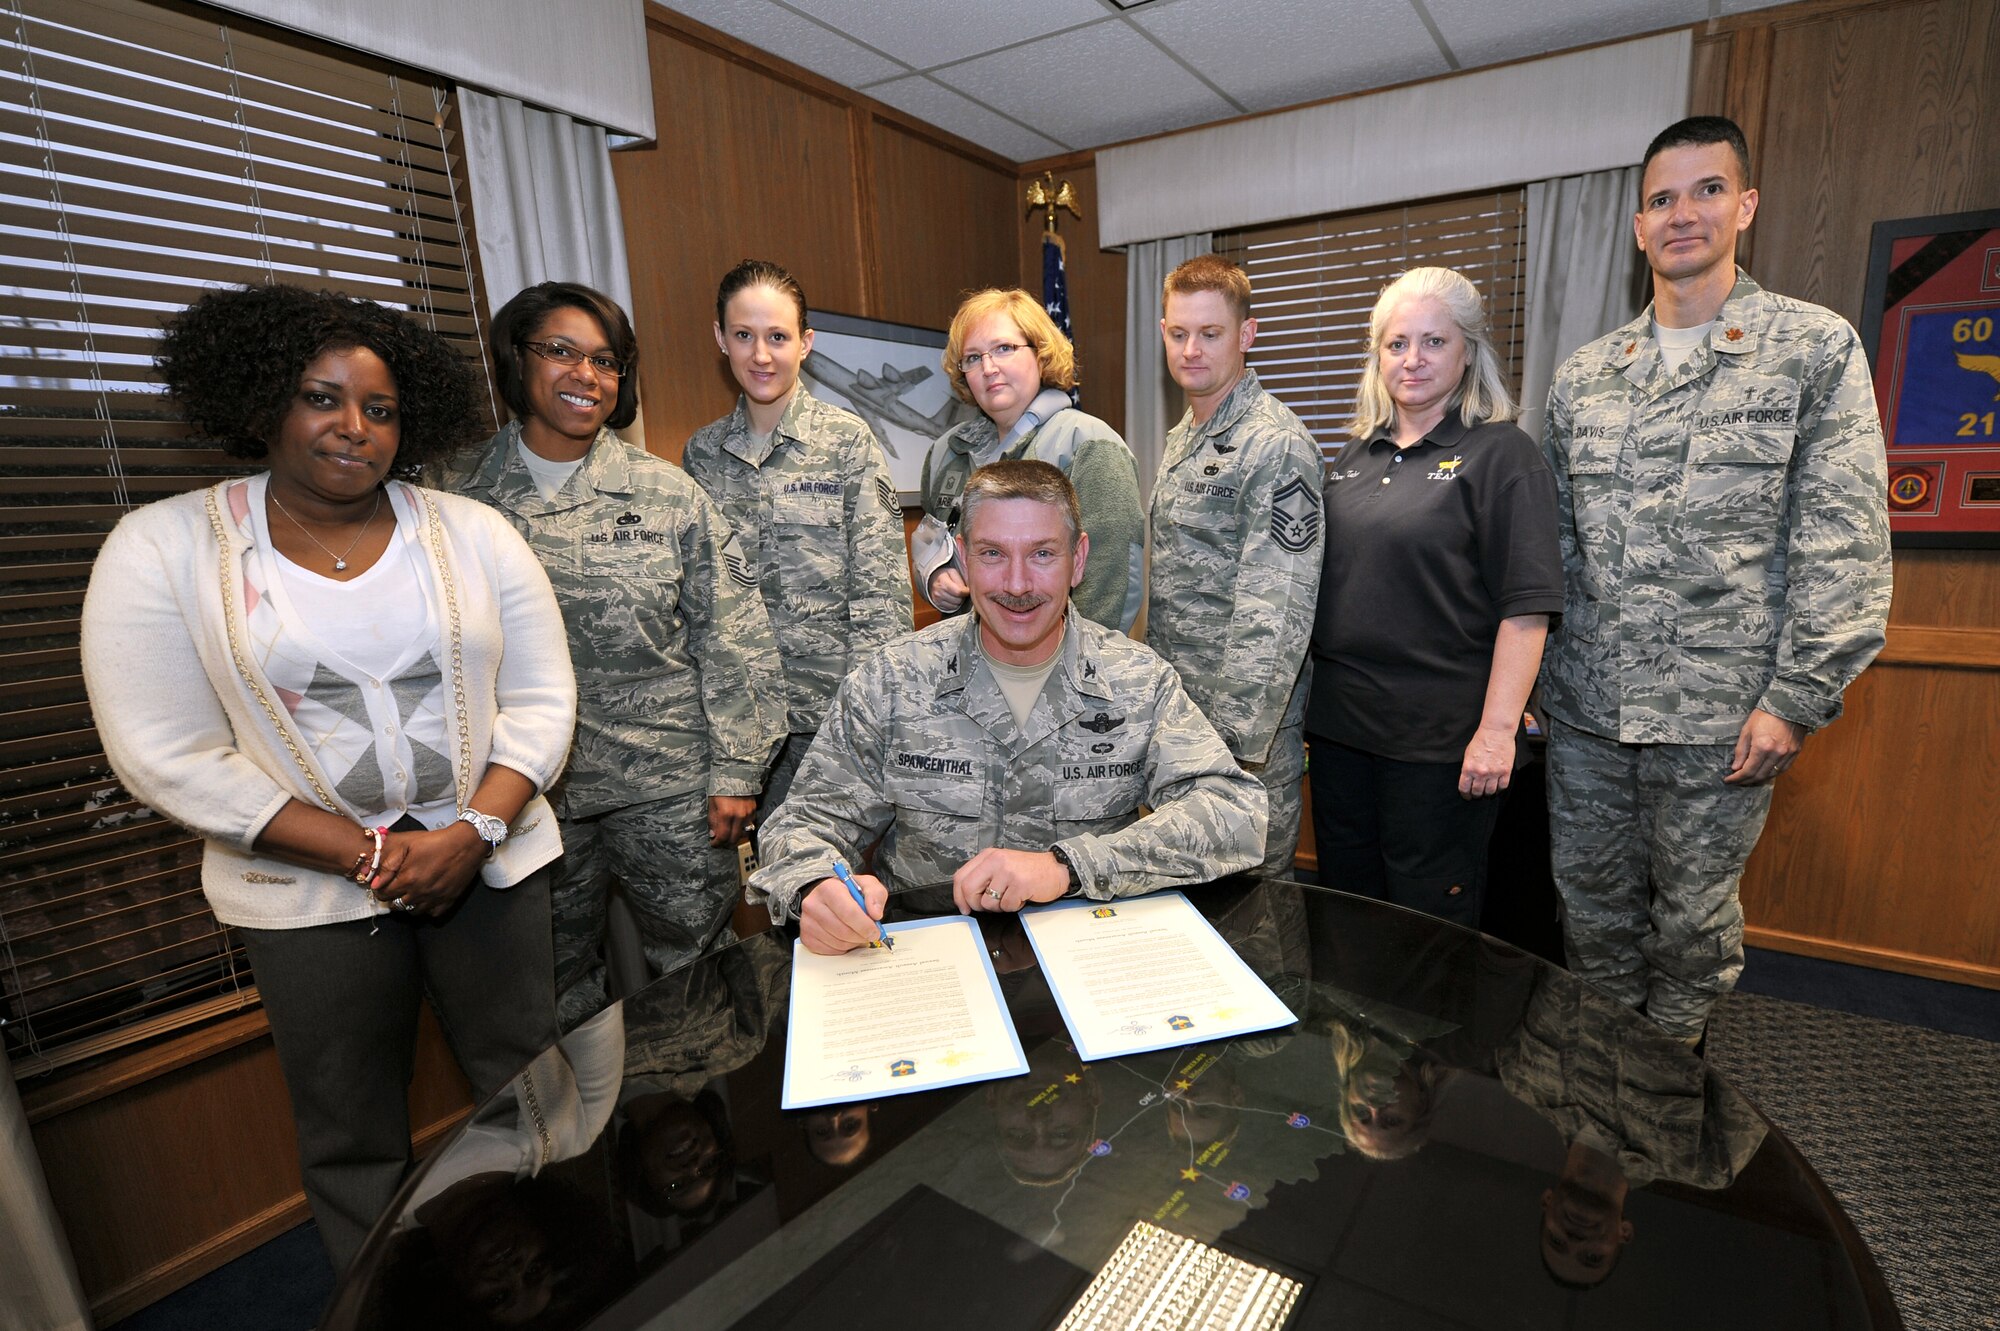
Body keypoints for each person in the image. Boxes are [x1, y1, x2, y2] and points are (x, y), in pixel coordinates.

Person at [80, 283, 577, 1272]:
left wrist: (468, 833)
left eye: (381, 408)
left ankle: (564, 1273)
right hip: (309, 895)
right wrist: (372, 853)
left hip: (488, 865)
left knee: (534, 1092)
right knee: (353, 1135)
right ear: (263, 401)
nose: (355, 428)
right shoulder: (163, 548)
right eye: (322, 398)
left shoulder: (473, 532)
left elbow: (543, 696)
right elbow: (162, 749)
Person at [1541, 116, 1892, 1042]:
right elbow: (1558, 550)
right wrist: (1536, 682)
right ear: (1637, 223)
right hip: (1587, 712)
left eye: (1705, 191)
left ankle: (1668, 1107)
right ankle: (1606, 1110)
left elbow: (1844, 539)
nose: (1682, 214)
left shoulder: (1811, 350)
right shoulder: (1585, 378)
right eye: (1661, 198)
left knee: (1692, 932)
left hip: (1723, 717)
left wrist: (1797, 697)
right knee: (1592, 919)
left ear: (1746, 205)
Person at [748, 461, 1267, 955]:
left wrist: (1069, 866)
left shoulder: (1137, 681)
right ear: (963, 558)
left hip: (1093, 954)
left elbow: (1235, 813)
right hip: (928, 960)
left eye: (1042, 553)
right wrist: (814, 886)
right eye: (993, 553)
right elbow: (803, 823)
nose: (1017, 585)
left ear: (1078, 560)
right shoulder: (892, 680)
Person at [451, 281, 784, 1027]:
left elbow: (732, 635)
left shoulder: (667, 495)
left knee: (701, 975)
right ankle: (591, 1137)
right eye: (561, 352)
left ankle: (711, 1124)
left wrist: (737, 771)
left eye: (605, 361)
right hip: (528, 795)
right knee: (551, 987)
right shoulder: (455, 497)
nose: (587, 375)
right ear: (515, 358)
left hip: (667, 784)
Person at [1307, 267, 1563, 927]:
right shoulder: (1353, 459)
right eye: (1396, 344)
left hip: (1439, 746)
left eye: (1433, 342)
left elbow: (1527, 607)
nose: (1412, 359)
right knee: (1348, 910)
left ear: (1468, 352)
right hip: (1341, 735)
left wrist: (1498, 732)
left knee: (1428, 928)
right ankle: (1354, 1037)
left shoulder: (1503, 455)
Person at [681, 260, 912, 820]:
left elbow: (881, 595)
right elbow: (698, 605)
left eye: (778, 337)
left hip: (832, 720)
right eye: (744, 336)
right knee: (770, 889)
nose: (762, 355)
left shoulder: (846, 443)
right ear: (720, 339)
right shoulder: (700, 455)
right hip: (741, 723)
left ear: (805, 343)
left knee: (840, 883)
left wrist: (866, 718)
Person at [1148, 256, 1323, 877]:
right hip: (1180, 720)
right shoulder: (1184, 436)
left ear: (1245, 335)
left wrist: (1227, 748)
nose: (1191, 349)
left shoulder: (1275, 443)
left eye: (1210, 333)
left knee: (1251, 913)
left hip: (1240, 737)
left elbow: (1275, 609)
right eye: (1177, 333)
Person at [911, 289, 1144, 633]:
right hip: (965, 664)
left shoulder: (1088, 445)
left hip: (1056, 667)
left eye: (1004, 348)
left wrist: (1071, 669)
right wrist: (933, 577)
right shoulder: (947, 452)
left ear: (1041, 353)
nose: (988, 368)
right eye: (973, 358)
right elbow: (931, 541)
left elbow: (1109, 590)